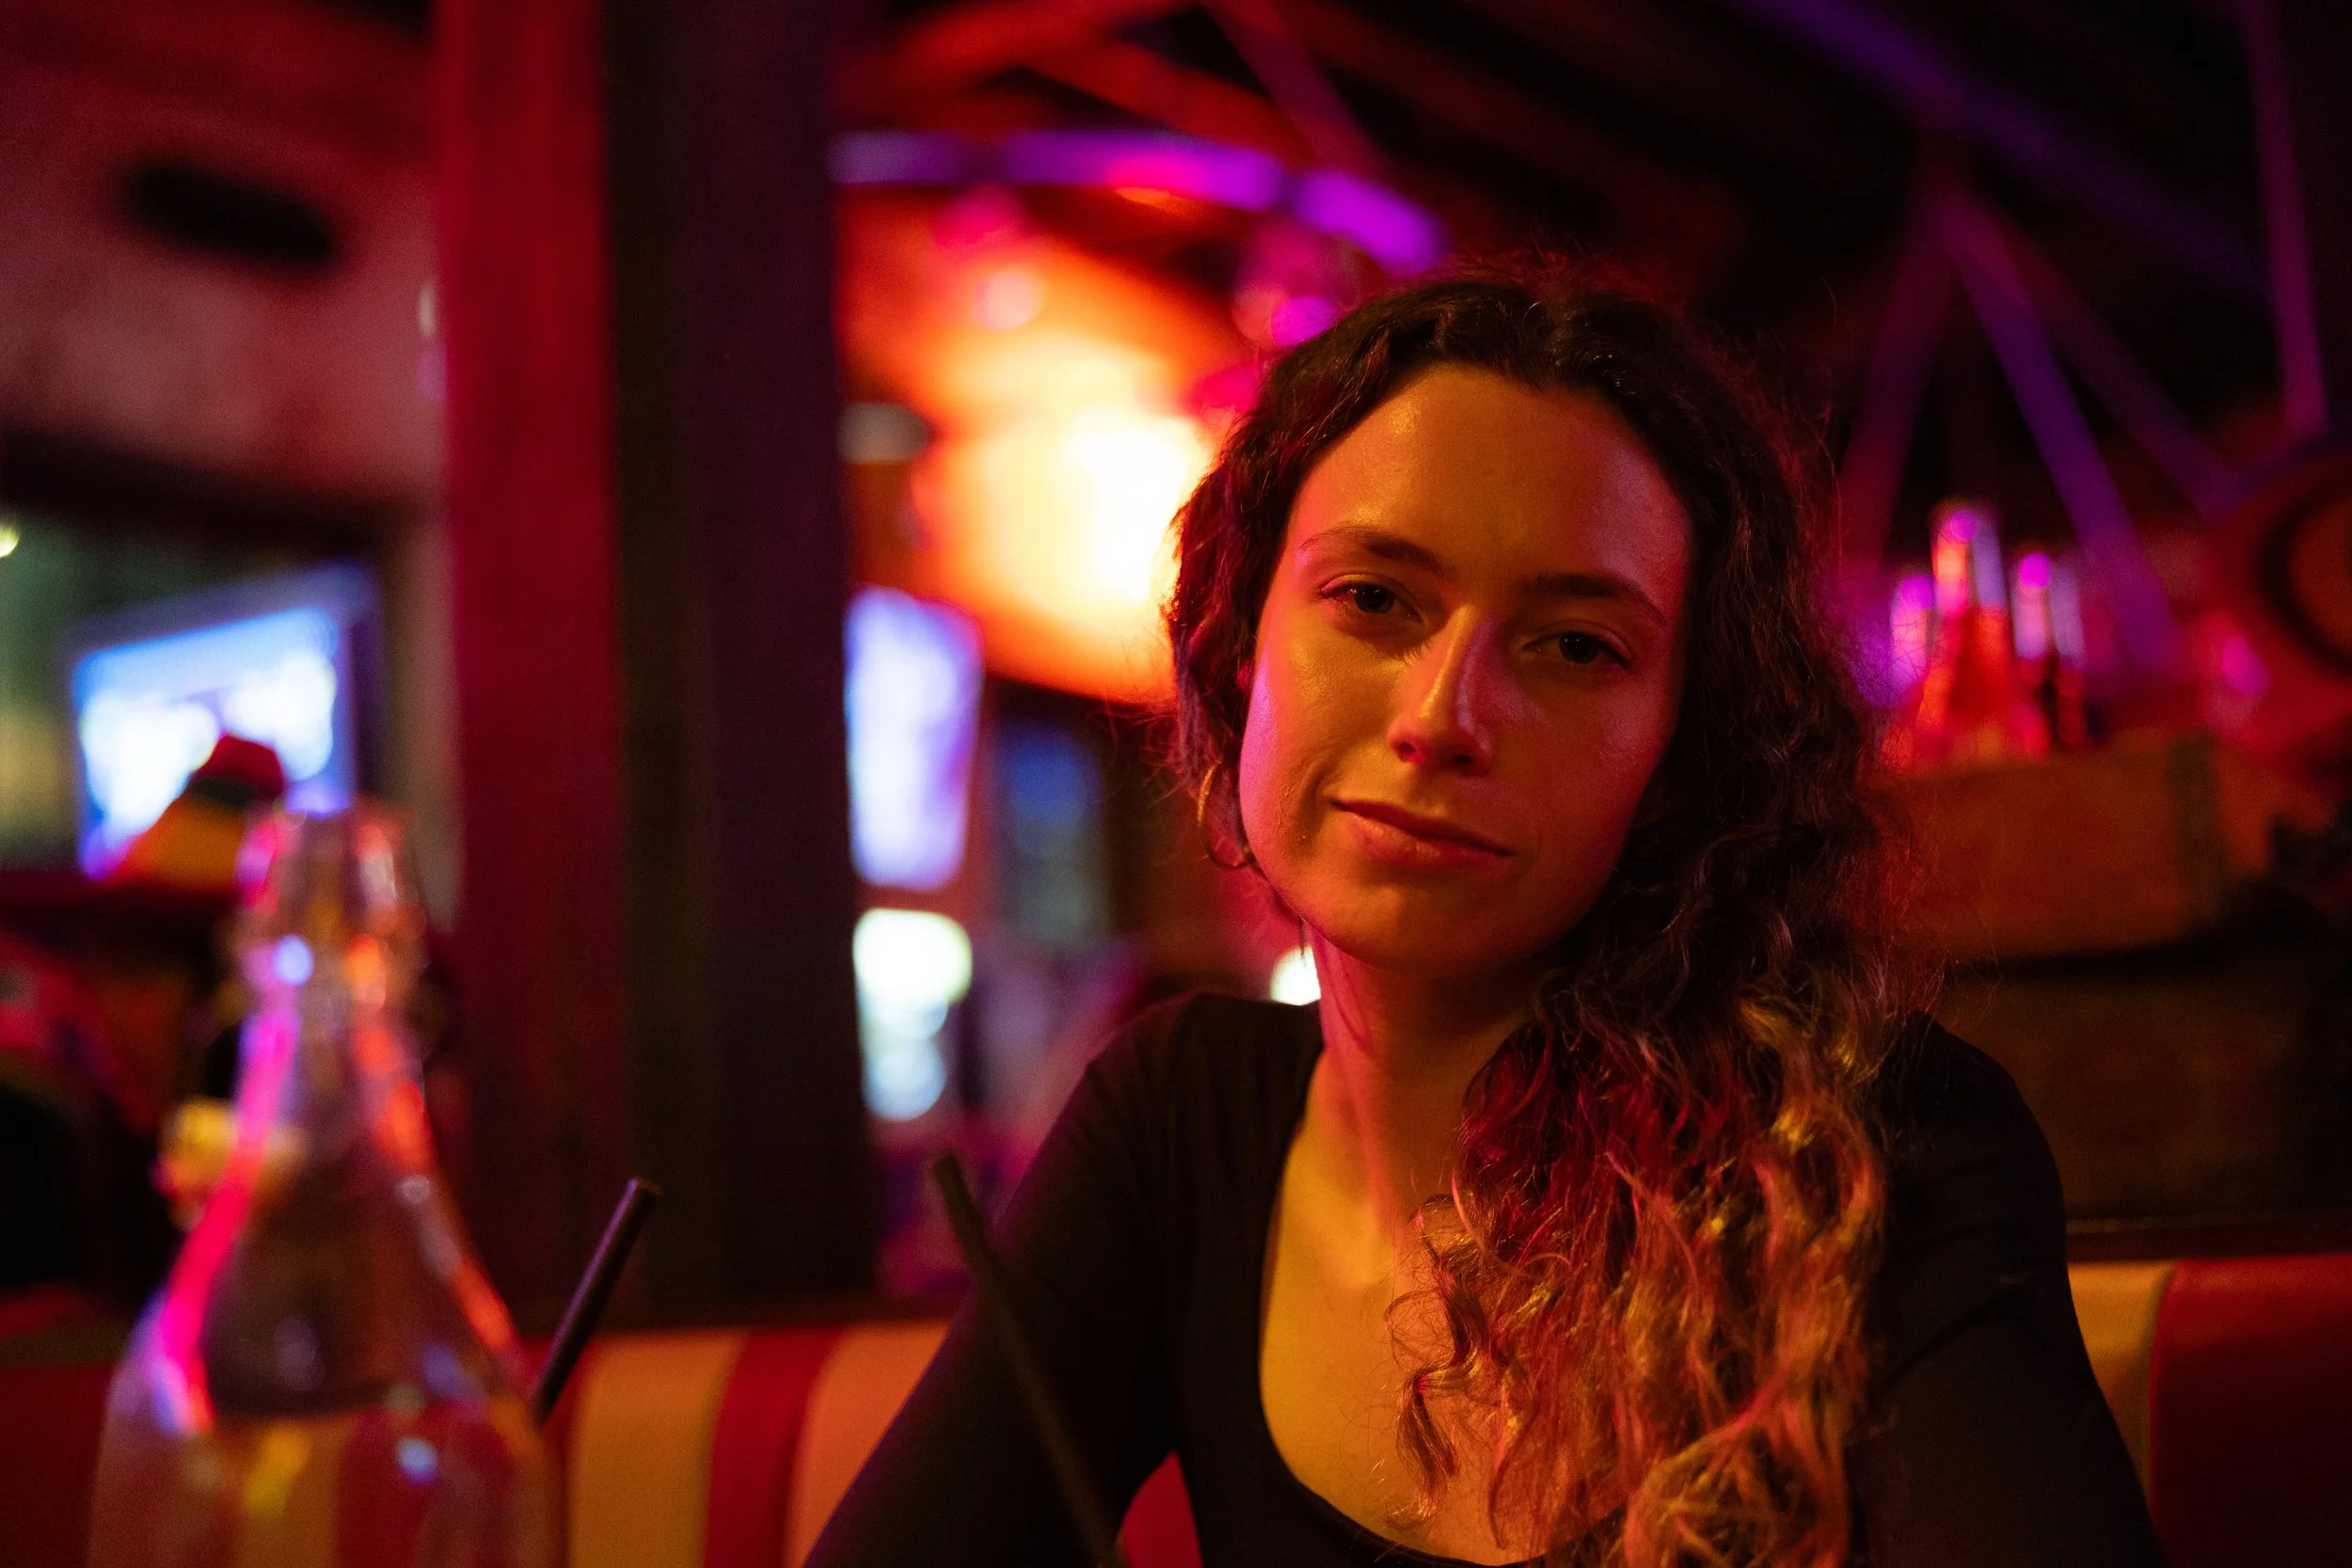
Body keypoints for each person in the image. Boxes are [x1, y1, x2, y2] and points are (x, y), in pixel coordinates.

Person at [808, 268, 2164, 1567]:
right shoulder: (1179, 1126)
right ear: (1241, 639)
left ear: (1685, 748)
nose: (1443, 717)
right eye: (1373, 599)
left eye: (1575, 645)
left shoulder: (1870, 1146)